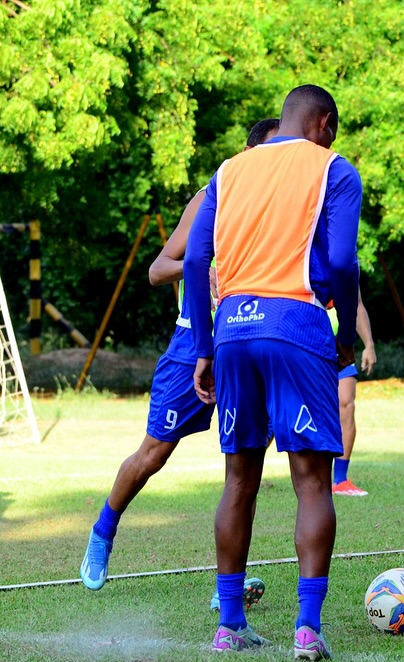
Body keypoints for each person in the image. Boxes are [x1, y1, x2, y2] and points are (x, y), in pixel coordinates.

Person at [184, 85, 361, 661]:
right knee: (311, 480)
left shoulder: (229, 169)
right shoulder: (334, 167)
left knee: (239, 479)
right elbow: (339, 261)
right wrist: (346, 332)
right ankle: (307, 629)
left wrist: (204, 345)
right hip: (297, 324)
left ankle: (229, 622)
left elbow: (193, 259)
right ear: (324, 124)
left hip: (233, 325)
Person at [79, 119, 280, 612]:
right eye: (275, 148)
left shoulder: (285, 203)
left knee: (245, 469)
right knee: (152, 455)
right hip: (194, 344)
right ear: (249, 150)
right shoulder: (215, 193)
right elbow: (158, 268)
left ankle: (226, 588)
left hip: (248, 342)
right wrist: (205, 269)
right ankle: (103, 531)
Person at [329, 289, 377, 497]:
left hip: (341, 349)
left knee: (346, 405)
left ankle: (340, 479)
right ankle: (249, 467)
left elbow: (356, 303)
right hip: (306, 345)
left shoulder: (346, 261)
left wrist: (369, 345)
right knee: (279, 412)